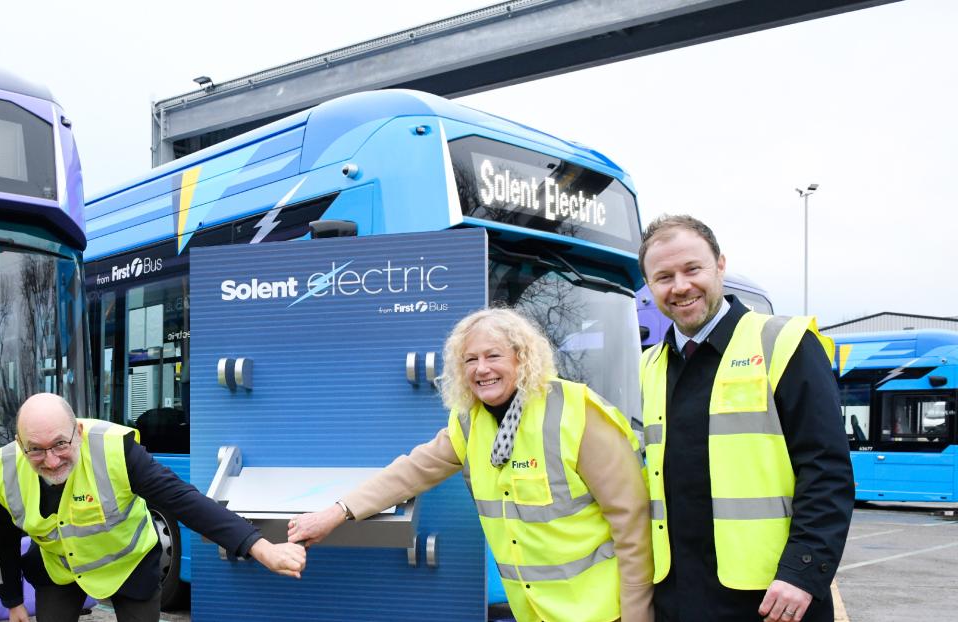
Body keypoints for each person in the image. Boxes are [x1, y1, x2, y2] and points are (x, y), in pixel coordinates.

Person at [288, 308, 653, 622]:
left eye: (493, 356)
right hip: (534, 611)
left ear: (522, 358)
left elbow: (633, 524)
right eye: (470, 360)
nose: (481, 369)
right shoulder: (469, 423)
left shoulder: (576, 412)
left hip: (603, 611)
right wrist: (337, 513)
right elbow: (410, 472)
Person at [637, 215, 853, 622]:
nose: (680, 286)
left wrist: (803, 572)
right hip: (678, 595)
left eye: (692, 269)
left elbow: (826, 470)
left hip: (772, 597)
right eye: (663, 276)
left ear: (720, 265)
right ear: (650, 286)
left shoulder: (784, 343)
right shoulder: (649, 365)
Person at [0, 393, 307, 622]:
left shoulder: (115, 451)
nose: (52, 460)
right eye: (36, 450)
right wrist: (13, 600)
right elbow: (3, 539)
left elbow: (182, 499)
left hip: (130, 564)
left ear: (78, 432)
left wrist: (258, 546)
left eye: (60, 444)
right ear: (19, 443)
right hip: (61, 570)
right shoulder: (3, 470)